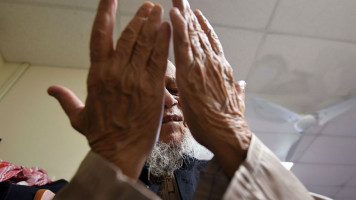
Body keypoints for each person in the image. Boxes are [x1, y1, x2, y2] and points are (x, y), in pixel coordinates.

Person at [47, 0, 328, 199]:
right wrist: (114, 158)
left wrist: (235, 137)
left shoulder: (223, 172)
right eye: (151, 94)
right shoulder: (70, 189)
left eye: (176, 89)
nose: (168, 101)